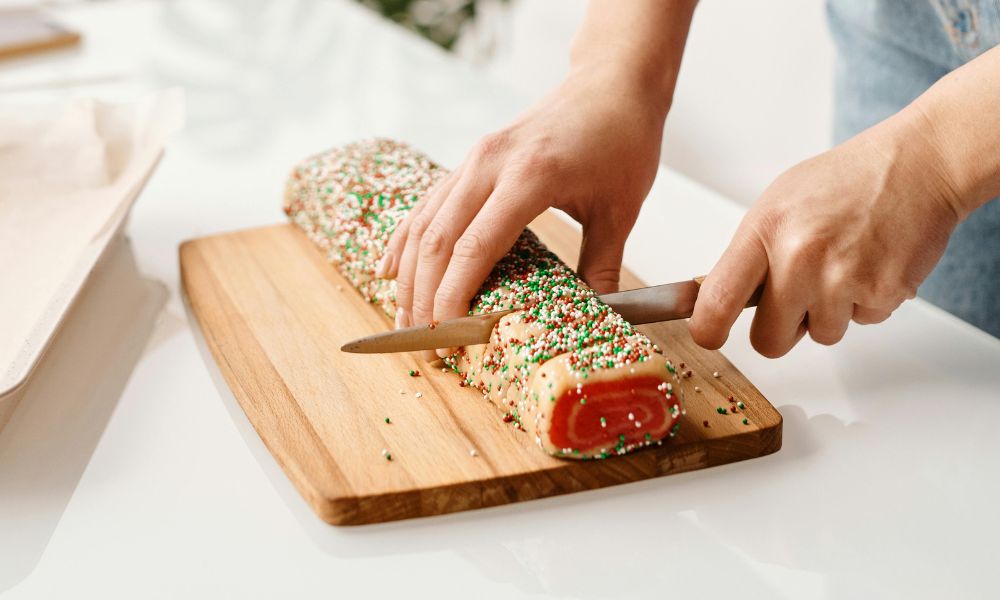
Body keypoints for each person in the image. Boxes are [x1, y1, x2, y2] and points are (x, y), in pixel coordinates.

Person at [376, 0, 1000, 360]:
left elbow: (932, 157)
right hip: (898, 33)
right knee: (944, 396)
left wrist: (934, 160)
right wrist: (618, 69)